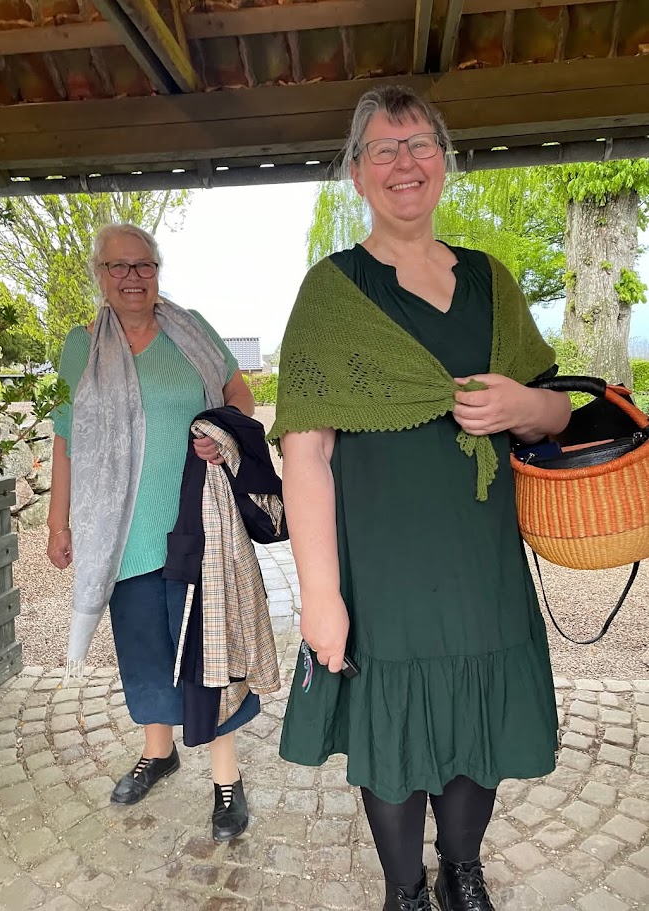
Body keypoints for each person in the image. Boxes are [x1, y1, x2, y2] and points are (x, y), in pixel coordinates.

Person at [269, 86, 571, 911]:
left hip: (481, 560)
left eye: (419, 145)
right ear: (357, 173)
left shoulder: (491, 281)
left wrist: (521, 403)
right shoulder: (332, 292)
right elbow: (304, 452)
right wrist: (320, 596)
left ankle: (459, 868)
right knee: (393, 724)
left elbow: (557, 412)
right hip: (384, 566)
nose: (404, 163)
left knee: (478, 715)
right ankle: (403, 889)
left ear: (443, 159)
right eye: (383, 149)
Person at [47, 222, 260, 841]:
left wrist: (220, 430)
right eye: (117, 266)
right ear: (100, 275)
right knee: (142, 648)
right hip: (121, 530)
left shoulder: (191, 331)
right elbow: (66, 436)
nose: (132, 277)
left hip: (198, 521)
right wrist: (58, 520)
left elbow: (240, 398)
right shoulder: (81, 347)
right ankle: (159, 751)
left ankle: (226, 779)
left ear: (158, 270)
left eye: (143, 265)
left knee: (208, 651)